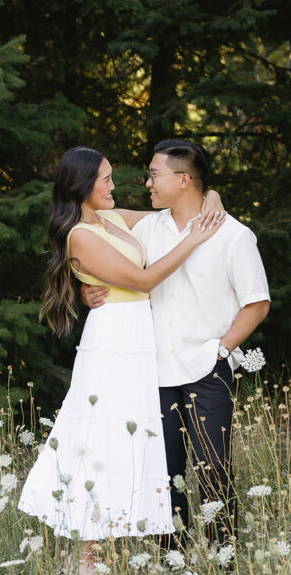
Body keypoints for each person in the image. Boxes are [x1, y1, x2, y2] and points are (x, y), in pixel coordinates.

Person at [17, 146, 222, 575]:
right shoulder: (79, 235)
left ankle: (119, 538)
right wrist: (194, 239)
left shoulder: (108, 218)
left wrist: (214, 197)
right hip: (113, 339)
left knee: (132, 434)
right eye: (105, 180)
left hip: (138, 336)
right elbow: (145, 280)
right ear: (82, 185)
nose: (114, 187)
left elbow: (169, 212)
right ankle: (85, 559)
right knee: (101, 435)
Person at [83, 139, 270, 541]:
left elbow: (257, 303)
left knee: (213, 467)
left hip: (207, 368)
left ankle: (224, 554)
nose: (147, 182)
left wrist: (221, 352)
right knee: (162, 470)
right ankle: (172, 555)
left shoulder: (234, 235)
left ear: (184, 180)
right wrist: (86, 286)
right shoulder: (147, 227)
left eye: (154, 174)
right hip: (153, 370)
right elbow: (91, 224)